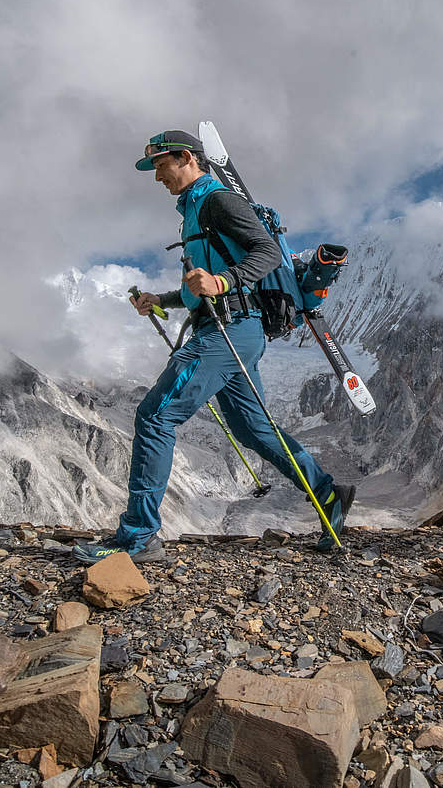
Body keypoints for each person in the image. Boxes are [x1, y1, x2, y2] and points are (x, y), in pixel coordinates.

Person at [73, 131, 353, 564]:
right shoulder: (194, 210)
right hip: (232, 328)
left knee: (156, 415)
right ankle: (329, 494)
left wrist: (222, 282)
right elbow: (200, 285)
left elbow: (267, 255)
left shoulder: (217, 200)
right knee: (252, 430)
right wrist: (161, 300)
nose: (156, 177)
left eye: (160, 165)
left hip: (230, 329)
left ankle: (138, 537)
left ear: (186, 157)